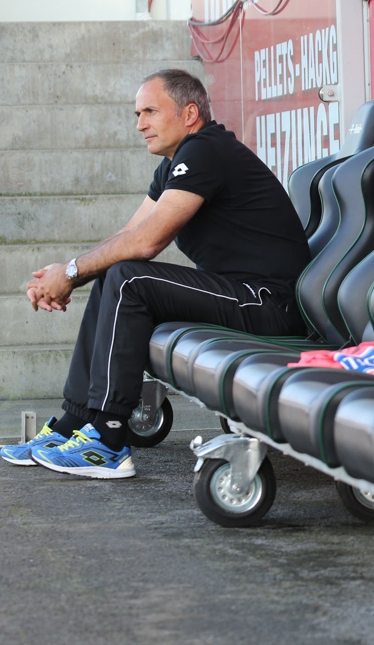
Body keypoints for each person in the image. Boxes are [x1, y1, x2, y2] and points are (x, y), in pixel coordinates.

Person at [0, 69, 310, 478]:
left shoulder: (206, 151)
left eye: (149, 111)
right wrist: (68, 273)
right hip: (240, 292)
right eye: (136, 113)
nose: (140, 123)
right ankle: (74, 424)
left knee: (129, 276)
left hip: (268, 300)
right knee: (116, 273)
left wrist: (71, 273)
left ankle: (109, 441)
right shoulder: (176, 163)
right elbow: (129, 234)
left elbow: (149, 242)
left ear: (189, 113)